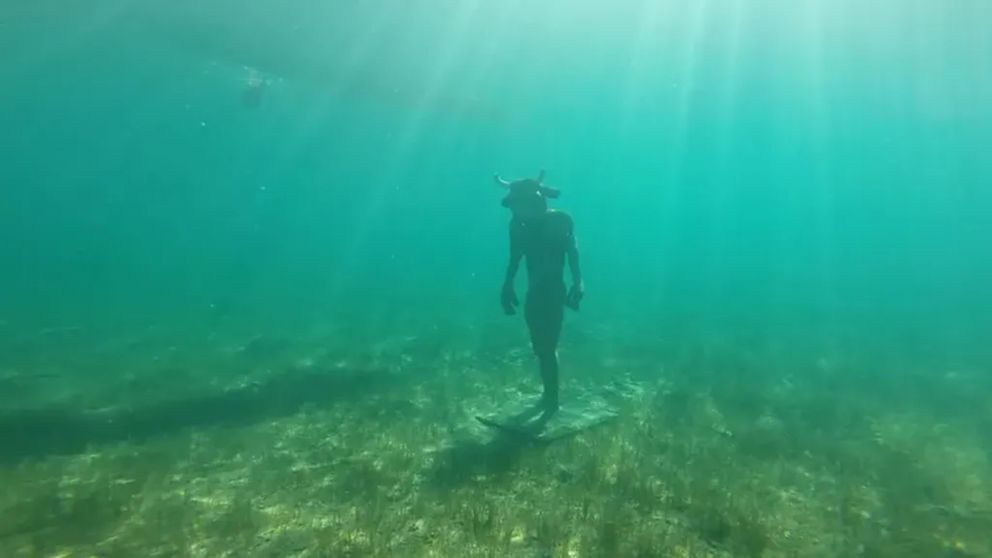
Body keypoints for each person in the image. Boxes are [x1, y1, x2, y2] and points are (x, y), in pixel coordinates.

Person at [495, 170, 583, 420]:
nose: (514, 211)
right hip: (534, 292)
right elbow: (515, 256)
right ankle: (549, 396)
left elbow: (573, 252)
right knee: (540, 346)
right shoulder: (517, 226)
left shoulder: (560, 221)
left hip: (554, 290)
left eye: (517, 205)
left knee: (548, 345)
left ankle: (551, 400)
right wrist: (508, 284)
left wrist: (579, 282)